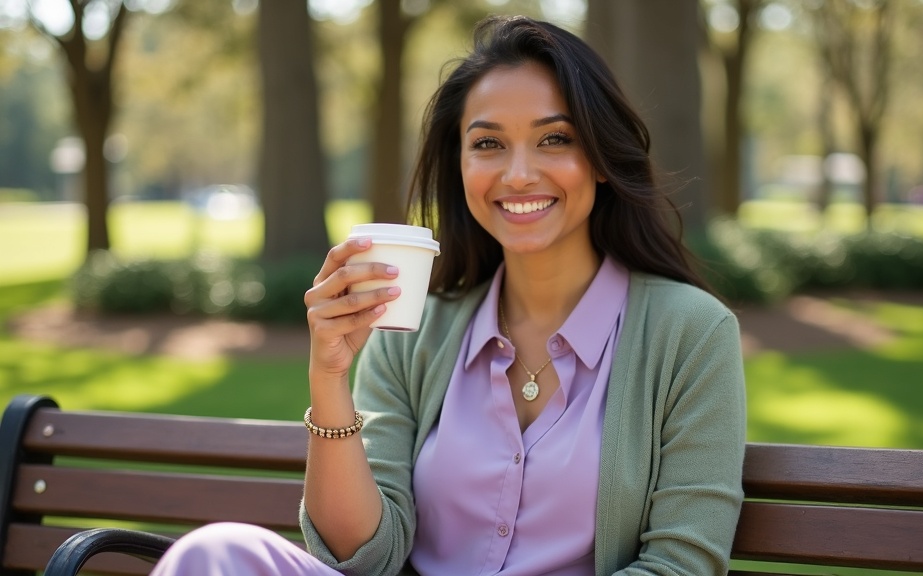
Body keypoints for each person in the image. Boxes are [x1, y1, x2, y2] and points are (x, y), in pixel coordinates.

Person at [152, 14, 746, 576]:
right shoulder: (411, 331)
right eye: (488, 144)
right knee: (217, 553)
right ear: (459, 166)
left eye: (554, 139)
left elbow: (682, 565)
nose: (517, 175)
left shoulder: (690, 334)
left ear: (598, 157)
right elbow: (365, 556)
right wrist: (330, 378)